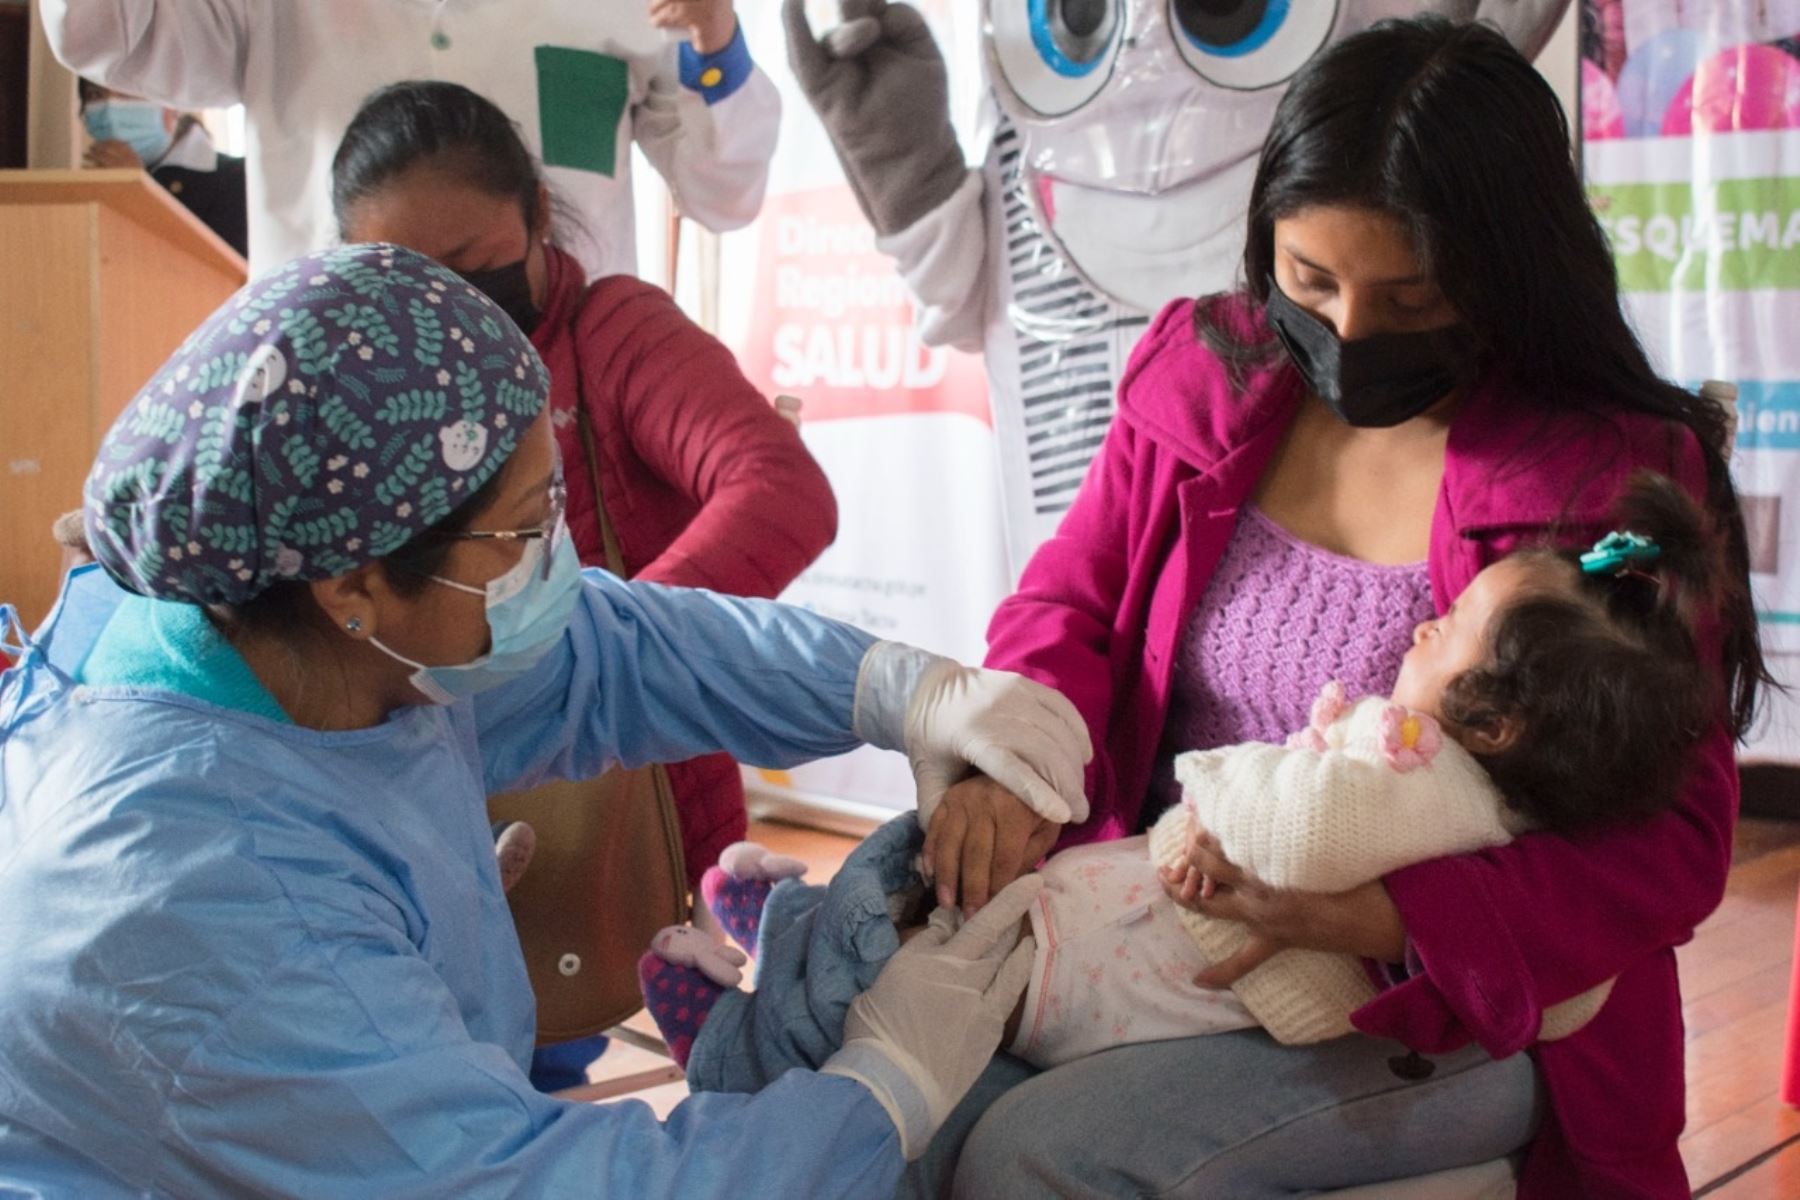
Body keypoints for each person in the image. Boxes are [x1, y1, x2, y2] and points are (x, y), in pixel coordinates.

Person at [0, 243, 1092, 1196]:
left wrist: (900, 690)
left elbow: (611, 657)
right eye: (524, 533)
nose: (558, 564)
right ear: (356, 590)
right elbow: (520, 1186)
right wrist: (877, 1096)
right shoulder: (198, 899)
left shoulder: (296, 621)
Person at [908, 16, 1772, 1199]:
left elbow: (1673, 847)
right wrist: (1016, 760)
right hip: (1171, 932)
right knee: (916, 1101)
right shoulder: (1209, 373)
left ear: (1506, 274)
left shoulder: (1604, 477)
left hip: (1446, 997)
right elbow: (1075, 603)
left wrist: (1382, 916)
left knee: (1029, 1154)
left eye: (1411, 299)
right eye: (1312, 281)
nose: (1352, 335)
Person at [643, 473, 1721, 1080]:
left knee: (924, 952)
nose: (1426, 621)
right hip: (1124, 924)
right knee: (932, 909)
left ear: (1495, 720)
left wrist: (1221, 780)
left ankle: (747, 1019)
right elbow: (1069, 598)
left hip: (1113, 966)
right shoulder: (1466, 789)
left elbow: (1295, 831)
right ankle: (785, 927)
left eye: (1452, 632)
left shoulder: (1421, 772)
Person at [330, 78, 836, 903]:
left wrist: (613, 655)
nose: (447, 309)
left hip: (625, 806)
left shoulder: (616, 334)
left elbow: (783, 490)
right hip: (433, 807)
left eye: (468, 267)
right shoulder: (358, 392)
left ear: (535, 213)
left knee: (664, 993)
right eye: (408, 284)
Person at [42, 0, 778, 277]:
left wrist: (716, 39)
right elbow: (99, 30)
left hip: (555, 393)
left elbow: (725, 194)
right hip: (330, 387)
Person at [77, 78, 248, 255]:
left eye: (130, 92)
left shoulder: (236, 179)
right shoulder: (85, 188)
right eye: (95, 94)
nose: (110, 109)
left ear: (172, 105)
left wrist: (137, 191)